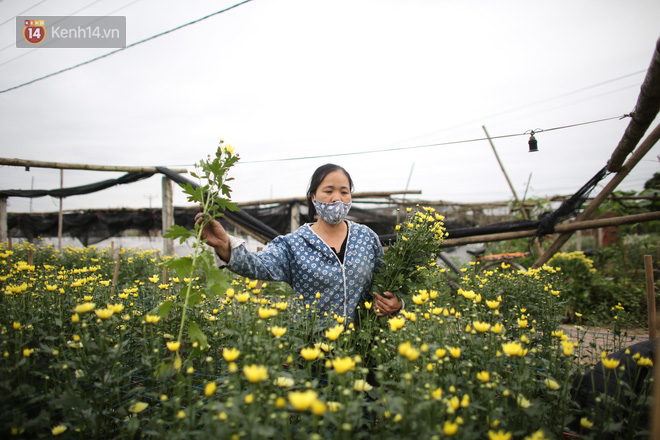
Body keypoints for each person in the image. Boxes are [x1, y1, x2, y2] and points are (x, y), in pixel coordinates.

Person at [194, 163, 402, 324]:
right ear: (313, 197)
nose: (336, 198)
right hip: (313, 348)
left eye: (344, 192)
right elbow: (257, 265)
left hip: (364, 346)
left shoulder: (366, 238)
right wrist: (224, 245)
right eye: (328, 191)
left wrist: (398, 302)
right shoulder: (294, 244)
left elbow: (386, 282)